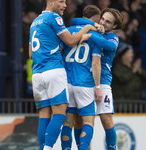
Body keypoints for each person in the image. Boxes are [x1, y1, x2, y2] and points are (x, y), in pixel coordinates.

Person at [29, 1, 97, 150]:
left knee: (44, 117)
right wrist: (87, 27)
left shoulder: (34, 22)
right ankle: (48, 148)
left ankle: (43, 148)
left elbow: (30, 54)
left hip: (37, 74)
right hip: (53, 71)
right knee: (60, 115)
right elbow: (71, 41)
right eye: (61, 1)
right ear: (51, 1)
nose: (65, 5)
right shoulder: (54, 18)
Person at [71, 8, 124, 150]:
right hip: (85, 81)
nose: (104, 23)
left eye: (108, 22)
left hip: (103, 82)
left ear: (114, 27)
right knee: (79, 122)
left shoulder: (112, 38)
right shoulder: (94, 28)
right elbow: (75, 21)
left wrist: (89, 36)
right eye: (102, 19)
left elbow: (110, 46)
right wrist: (92, 26)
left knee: (106, 121)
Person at [60, 5, 103, 150]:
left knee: (67, 123)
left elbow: (59, 52)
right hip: (84, 83)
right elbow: (95, 63)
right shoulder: (96, 36)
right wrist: (97, 88)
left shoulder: (68, 31)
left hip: (66, 82)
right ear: (97, 19)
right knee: (88, 122)